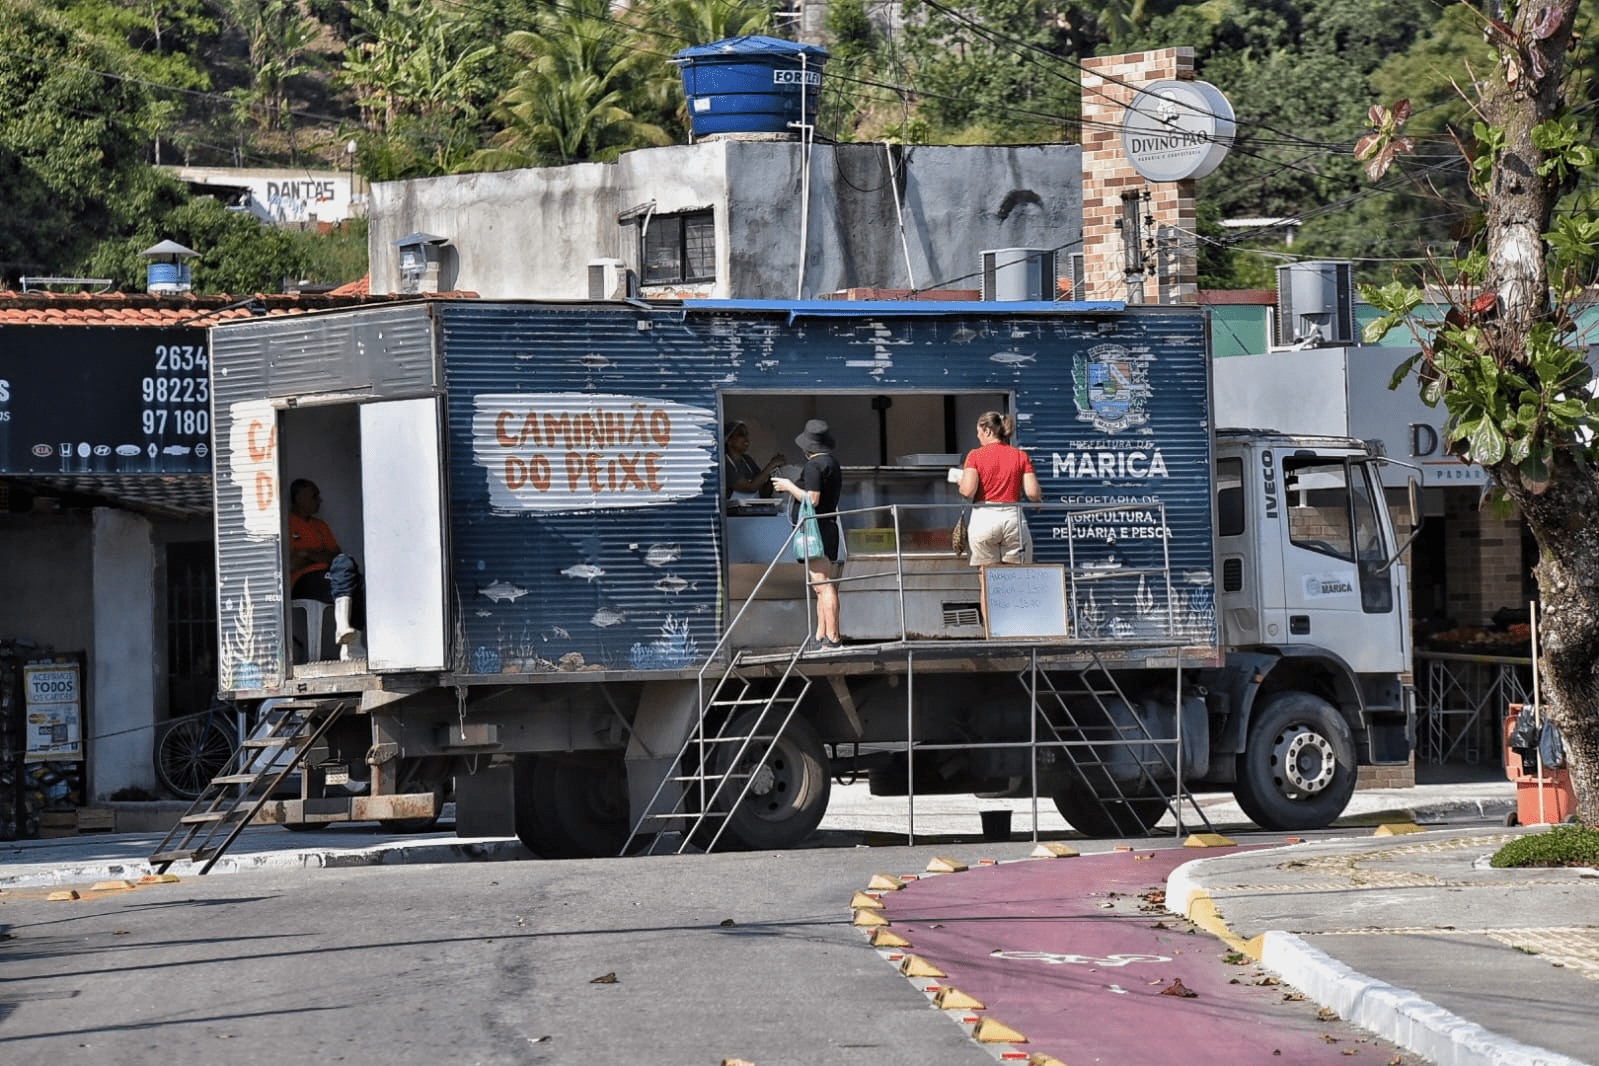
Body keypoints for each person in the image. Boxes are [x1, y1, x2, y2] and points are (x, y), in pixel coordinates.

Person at [771, 419, 844, 650]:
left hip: (816, 529)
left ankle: (833, 638)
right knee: (819, 585)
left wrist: (788, 486)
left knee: (824, 584)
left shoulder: (814, 466)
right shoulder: (832, 463)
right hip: (828, 526)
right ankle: (821, 636)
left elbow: (812, 499)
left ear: (807, 447)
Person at [288, 478, 366, 659]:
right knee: (353, 579)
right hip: (302, 580)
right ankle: (350, 645)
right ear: (300, 498)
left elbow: (335, 555)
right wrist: (317, 554)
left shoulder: (320, 525)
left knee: (348, 568)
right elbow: (292, 562)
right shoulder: (287, 522)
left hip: (328, 575)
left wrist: (307, 554)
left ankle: (344, 630)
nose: (319, 501)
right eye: (315, 496)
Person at [958, 411, 1042, 566]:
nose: (978, 436)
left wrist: (960, 482)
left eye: (979, 432)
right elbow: (1032, 492)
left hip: (984, 517)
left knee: (987, 578)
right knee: (1016, 577)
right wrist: (1038, 502)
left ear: (987, 431)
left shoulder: (975, 455)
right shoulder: (1020, 455)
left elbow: (968, 491)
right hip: (1013, 518)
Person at [723, 421, 785, 500]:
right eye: (741, 434)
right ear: (729, 440)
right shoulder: (725, 464)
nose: (746, 439)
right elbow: (751, 487)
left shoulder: (748, 461)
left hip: (753, 510)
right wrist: (771, 465)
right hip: (734, 511)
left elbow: (763, 491)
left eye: (747, 434)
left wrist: (771, 473)